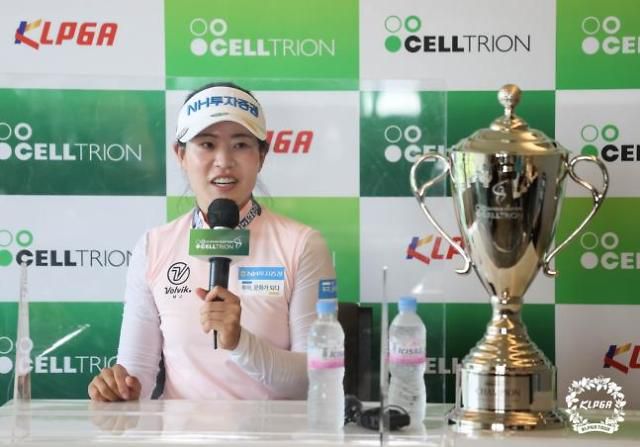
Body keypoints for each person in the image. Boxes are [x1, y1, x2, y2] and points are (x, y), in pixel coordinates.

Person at [88, 82, 336, 401]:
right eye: (206, 144)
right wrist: (118, 387)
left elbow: (316, 379)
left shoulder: (302, 245)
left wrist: (240, 341)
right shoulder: (154, 246)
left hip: (269, 429)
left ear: (261, 156)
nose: (223, 161)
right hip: (179, 428)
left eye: (240, 144)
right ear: (181, 154)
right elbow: (136, 376)